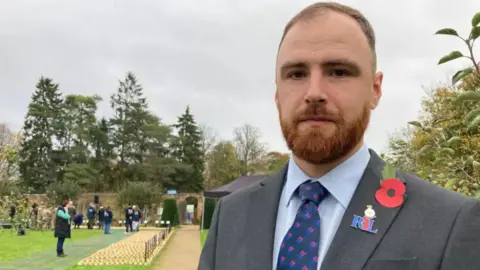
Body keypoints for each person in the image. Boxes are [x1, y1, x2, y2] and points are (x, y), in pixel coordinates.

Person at [198, 2, 480, 270]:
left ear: (375, 89)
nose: (314, 93)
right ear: (276, 94)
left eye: (338, 72)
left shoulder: (449, 222)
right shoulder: (231, 216)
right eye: (296, 74)